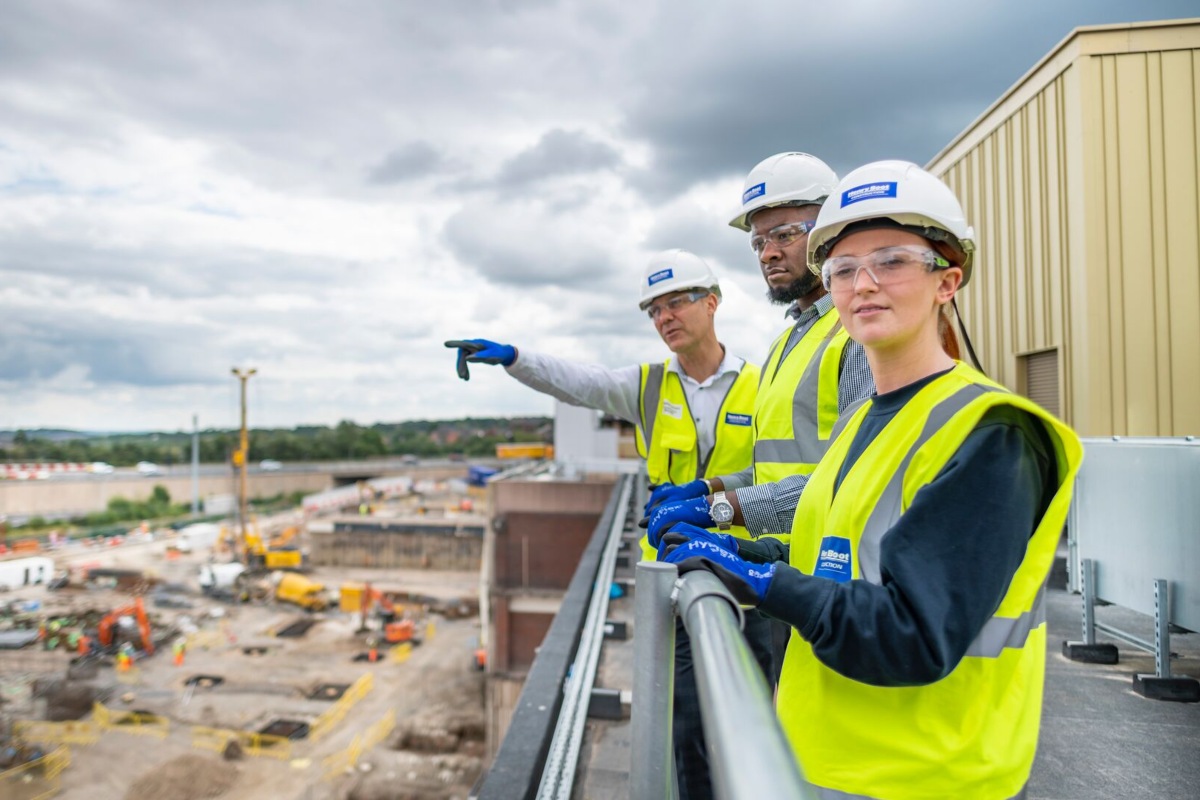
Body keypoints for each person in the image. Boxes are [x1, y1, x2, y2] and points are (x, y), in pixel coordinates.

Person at [660, 160, 1084, 798]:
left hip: (930, 777)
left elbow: (911, 632)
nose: (863, 285)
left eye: (892, 261)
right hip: (827, 765)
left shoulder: (990, 434)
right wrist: (739, 552)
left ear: (948, 280)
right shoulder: (868, 424)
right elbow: (836, 554)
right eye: (843, 269)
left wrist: (764, 579)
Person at [446, 249, 760, 800]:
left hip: (752, 575)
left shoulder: (764, 386)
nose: (664, 317)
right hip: (677, 572)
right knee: (686, 721)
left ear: (711, 303)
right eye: (653, 310)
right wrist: (516, 357)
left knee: (757, 713)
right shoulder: (648, 386)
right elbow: (579, 383)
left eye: (676, 302)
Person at [644, 153, 874, 551]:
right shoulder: (785, 344)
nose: (767, 254)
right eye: (758, 242)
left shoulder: (858, 331)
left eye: (784, 235)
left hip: (839, 576)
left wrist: (717, 509)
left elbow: (852, 477)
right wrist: (706, 488)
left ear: (831, 231)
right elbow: (773, 471)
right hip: (792, 580)